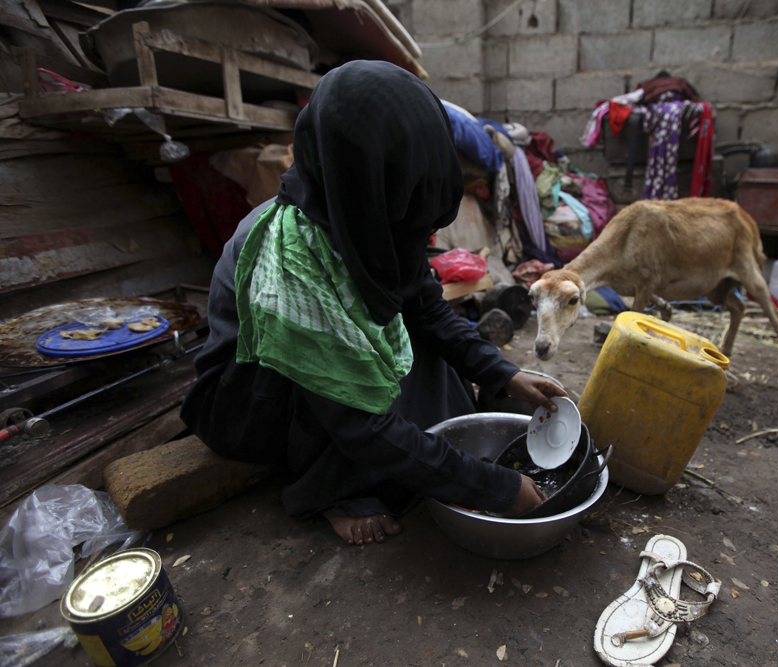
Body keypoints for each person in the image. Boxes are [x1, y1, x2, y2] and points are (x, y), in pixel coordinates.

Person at [180, 61, 567, 546]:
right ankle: (332, 491)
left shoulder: (364, 212)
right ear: (361, 177)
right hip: (256, 399)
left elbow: (425, 306)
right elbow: (355, 420)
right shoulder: (287, 262)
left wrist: (500, 372)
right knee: (359, 393)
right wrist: (491, 487)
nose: (418, 235)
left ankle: (420, 459)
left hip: (328, 378)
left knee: (417, 344)